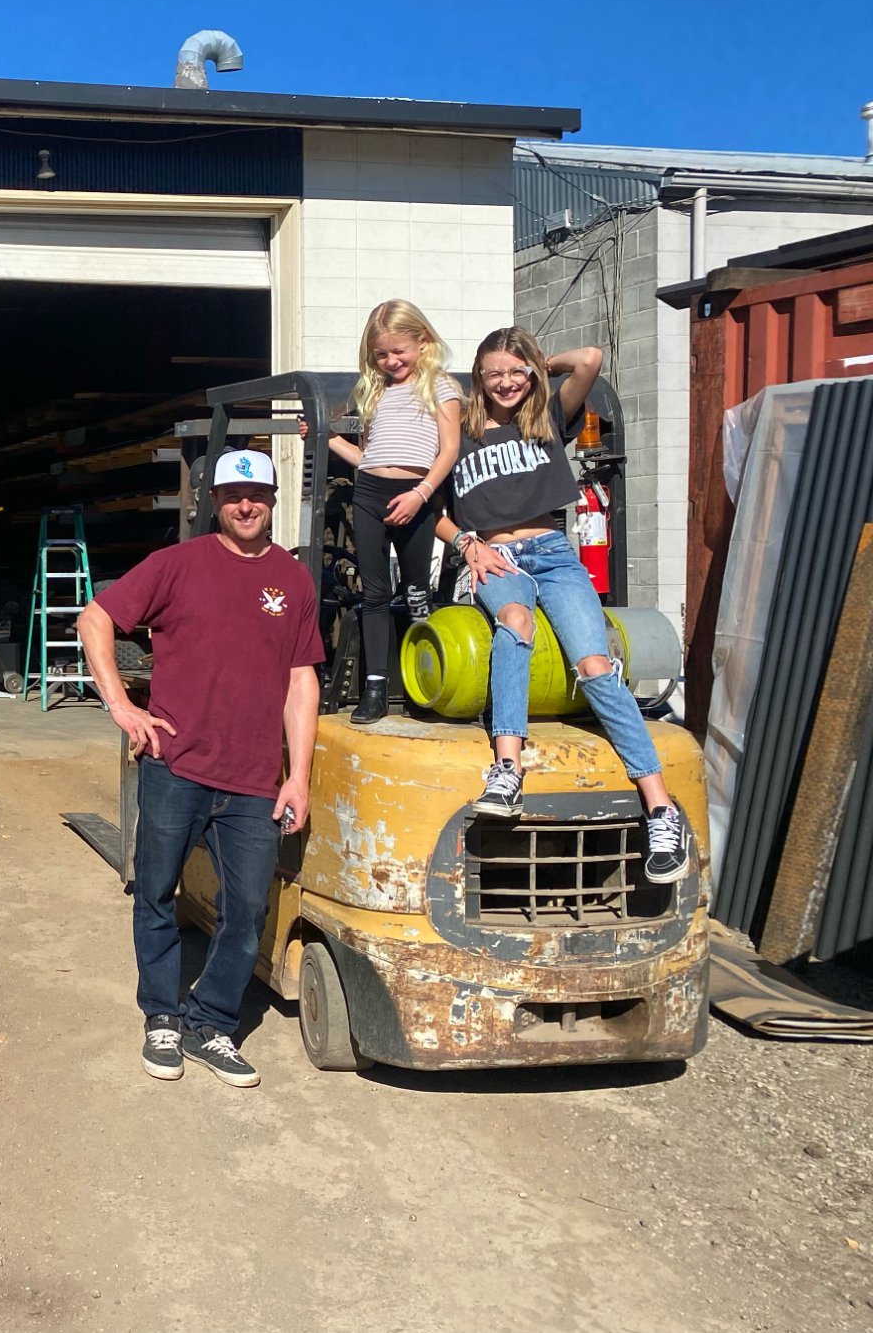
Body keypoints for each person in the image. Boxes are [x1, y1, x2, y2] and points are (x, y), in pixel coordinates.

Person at [78, 449, 325, 1087]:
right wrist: (122, 705)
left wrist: (297, 774)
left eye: (259, 495)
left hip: (251, 781)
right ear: (215, 501)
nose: (247, 505)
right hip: (175, 766)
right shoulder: (177, 565)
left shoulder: (294, 582)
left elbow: (302, 681)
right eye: (234, 495)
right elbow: (95, 618)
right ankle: (161, 1016)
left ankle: (210, 1022)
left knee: (245, 908)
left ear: (274, 499)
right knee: (157, 894)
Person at [434, 328, 692, 882]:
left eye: (516, 371)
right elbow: (426, 501)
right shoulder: (460, 430)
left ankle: (660, 807)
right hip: (494, 556)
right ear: (478, 376)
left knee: (596, 665)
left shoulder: (547, 416)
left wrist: (534, 364)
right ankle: (507, 768)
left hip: (553, 551)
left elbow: (591, 358)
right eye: (494, 372)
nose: (506, 382)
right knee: (514, 621)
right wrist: (465, 543)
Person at [323, 300, 462, 724]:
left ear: (423, 341)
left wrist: (420, 494)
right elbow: (368, 456)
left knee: (419, 591)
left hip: (414, 495)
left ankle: (429, 680)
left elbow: (450, 450)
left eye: (398, 351)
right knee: (375, 593)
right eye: (381, 354)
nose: (390, 361)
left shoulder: (441, 386)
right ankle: (377, 687)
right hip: (370, 492)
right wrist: (326, 437)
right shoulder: (377, 391)